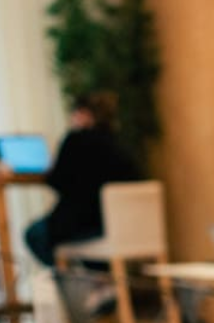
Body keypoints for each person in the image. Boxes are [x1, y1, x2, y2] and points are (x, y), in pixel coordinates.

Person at [24, 91, 140, 267]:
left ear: (84, 114)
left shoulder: (75, 141)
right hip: (121, 224)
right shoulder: (121, 142)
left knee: (34, 234)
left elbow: (57, 181)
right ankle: (94, 278)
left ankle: (69, 279)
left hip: (82, 224)